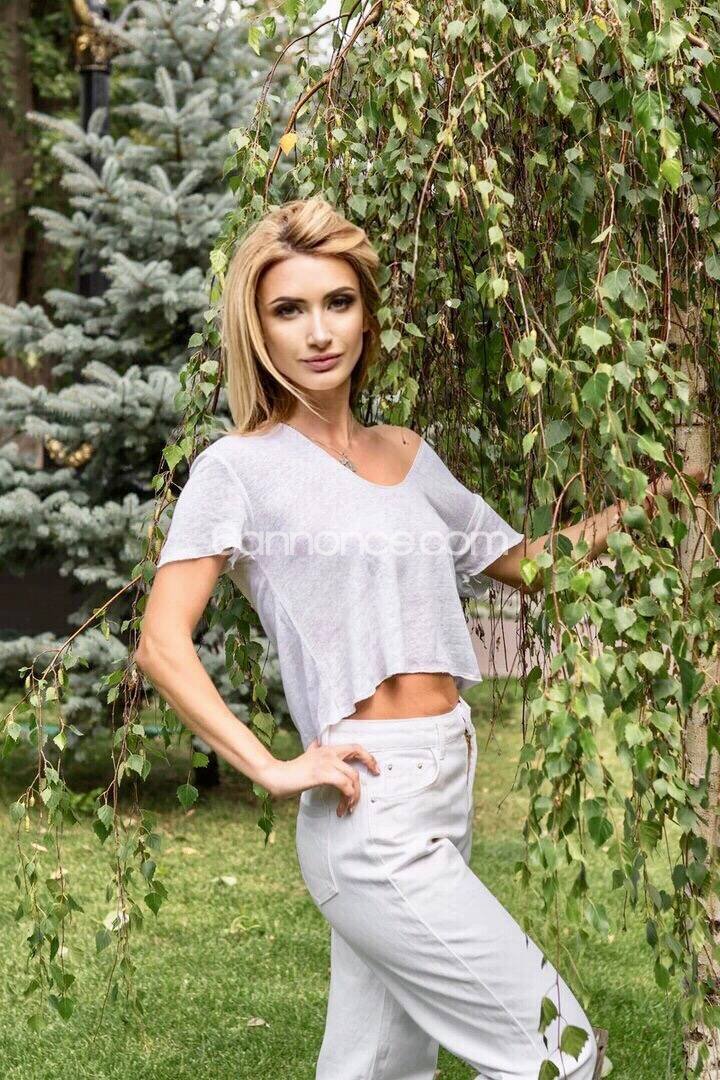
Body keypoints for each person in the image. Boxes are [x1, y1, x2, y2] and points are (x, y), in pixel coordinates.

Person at [136, 196, 704, 1079]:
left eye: (338, 302)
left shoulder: (406, 452)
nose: (318, 332)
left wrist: (660, 495)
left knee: (377, 1067)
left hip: (446, 774)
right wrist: (272, 768)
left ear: (366, 314)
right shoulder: (238, 469)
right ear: (257, 329)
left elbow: (532, 565)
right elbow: (162, 644)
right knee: (557, 1051)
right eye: (288, 309)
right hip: (369, 802)